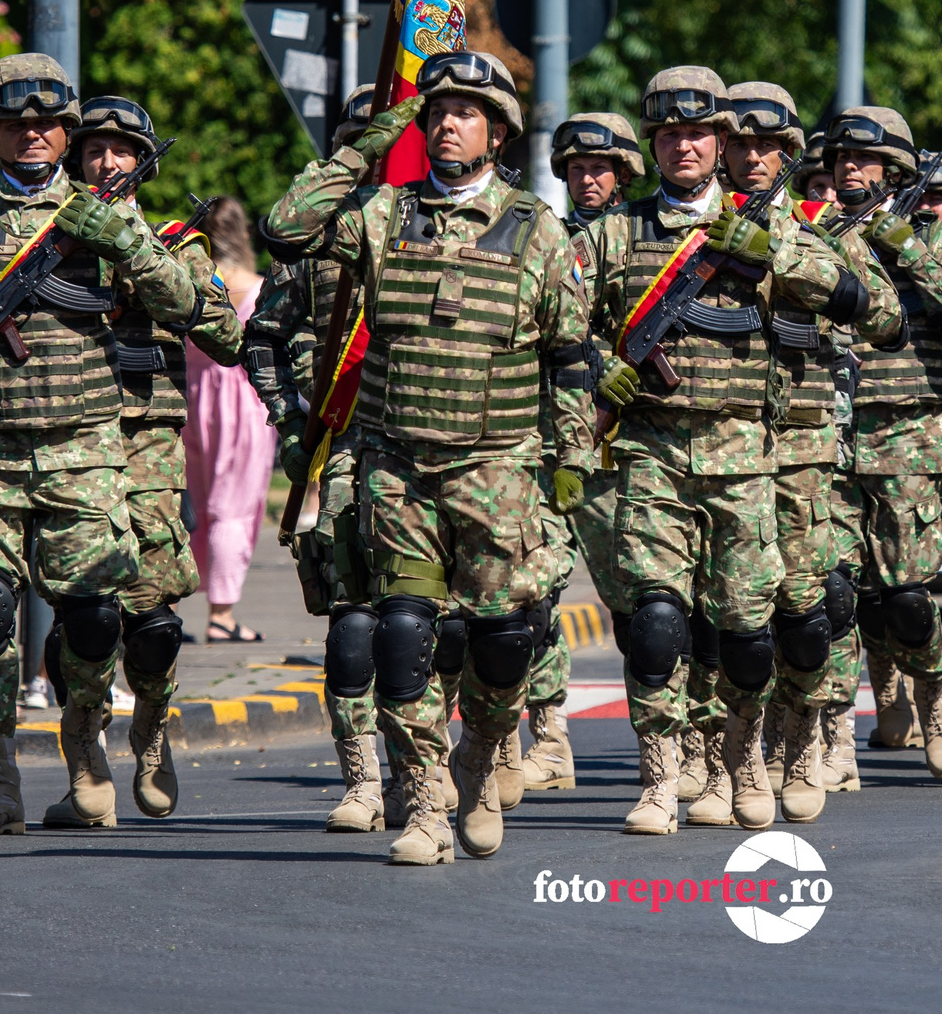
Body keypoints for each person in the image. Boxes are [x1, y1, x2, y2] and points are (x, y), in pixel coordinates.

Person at [262, 50, 590, 866]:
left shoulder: (536, 229)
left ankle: (480, 760)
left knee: (501, 641)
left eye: (467, 111)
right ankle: (426, 803)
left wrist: (572, 466)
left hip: (500, 472)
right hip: (398, 467)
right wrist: (367, 144)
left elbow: (572, 356)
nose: (448, 123)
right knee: (403, 633)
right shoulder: (382, 212)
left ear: (499, 131)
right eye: (437, 109)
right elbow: (287, 227)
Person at [0, 54, 203, 836]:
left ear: (66, 130)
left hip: (86, 448)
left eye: (48, 122)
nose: (32, 135)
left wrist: (123, 236)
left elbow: (187, 304)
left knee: (91, 620)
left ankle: (85, 750)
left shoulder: (105, 211)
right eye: (16, 122)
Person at [585, 67, 860, 836]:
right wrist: (593, 366)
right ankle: (659, 779)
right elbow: (555, 318)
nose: (684, 145)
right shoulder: (619, 231)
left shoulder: (774, 225)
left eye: (699, 133)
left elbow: (849, 294)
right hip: (651, 452)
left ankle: (747, 758)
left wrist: (774, 254)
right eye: (669, 133)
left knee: (745, 629)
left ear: (721, 142)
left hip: (747, 455)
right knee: (656, 620)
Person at [58, 97, 247, 827]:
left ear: (144, 162)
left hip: (147, 445)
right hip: (65, 436)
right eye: (95, 149)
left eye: (123, 150)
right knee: (83, 613)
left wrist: (134, 246)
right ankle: (83, 748)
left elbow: (222, 330)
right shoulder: (45, 237)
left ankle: (152, 729)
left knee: (153, 619)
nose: (107, 161)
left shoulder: (179, 240)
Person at [724, 80, 883, 818]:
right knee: (726, 612)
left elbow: (884, 314)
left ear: (789, 155)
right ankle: (731, 753)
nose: (752, 158)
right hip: (719, 447)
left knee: (804, 607)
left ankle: (801, 743)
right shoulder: (690, 227)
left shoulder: (822, 227)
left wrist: (786, 252)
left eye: (768, 146)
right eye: (741, 144)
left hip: (803, 450)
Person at [244, 92, 392, 834]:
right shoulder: (314, 241)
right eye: (353, 143)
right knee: (352, 625)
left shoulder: (451, 231)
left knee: (435, 626)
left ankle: (440, 764)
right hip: (338, 451)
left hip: (429, 453)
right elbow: (262, 338)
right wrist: (291, 417)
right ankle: (363, 779)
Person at [825, 104, 942, 782]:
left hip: (908, 435)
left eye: (865, 159)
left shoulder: (933, 238)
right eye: (842, 159)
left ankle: (931, 698)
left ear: (896, 170)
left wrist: (903, 243)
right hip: (827, 428)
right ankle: (831, 736)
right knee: (827, 590)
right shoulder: (819, 235)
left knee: (906, 594)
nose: (850, 169)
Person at [517, 110, 649, 793]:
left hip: (621, 449)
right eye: (574, 167)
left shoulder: (644, 242)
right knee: (531, 596)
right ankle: (548, 737)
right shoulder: (547, 242)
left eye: (599, 167)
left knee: (642, 607)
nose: (586, 178)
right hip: (542, 441)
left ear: (624, 174)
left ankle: (677, 738)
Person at [184, 196, 269, 646]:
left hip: (193, 398)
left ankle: (174, 602)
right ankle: (221, 613)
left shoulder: (192, 282)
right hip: (243, 401)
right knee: (233, 506)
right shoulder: (255, 286)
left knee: (196, 505)